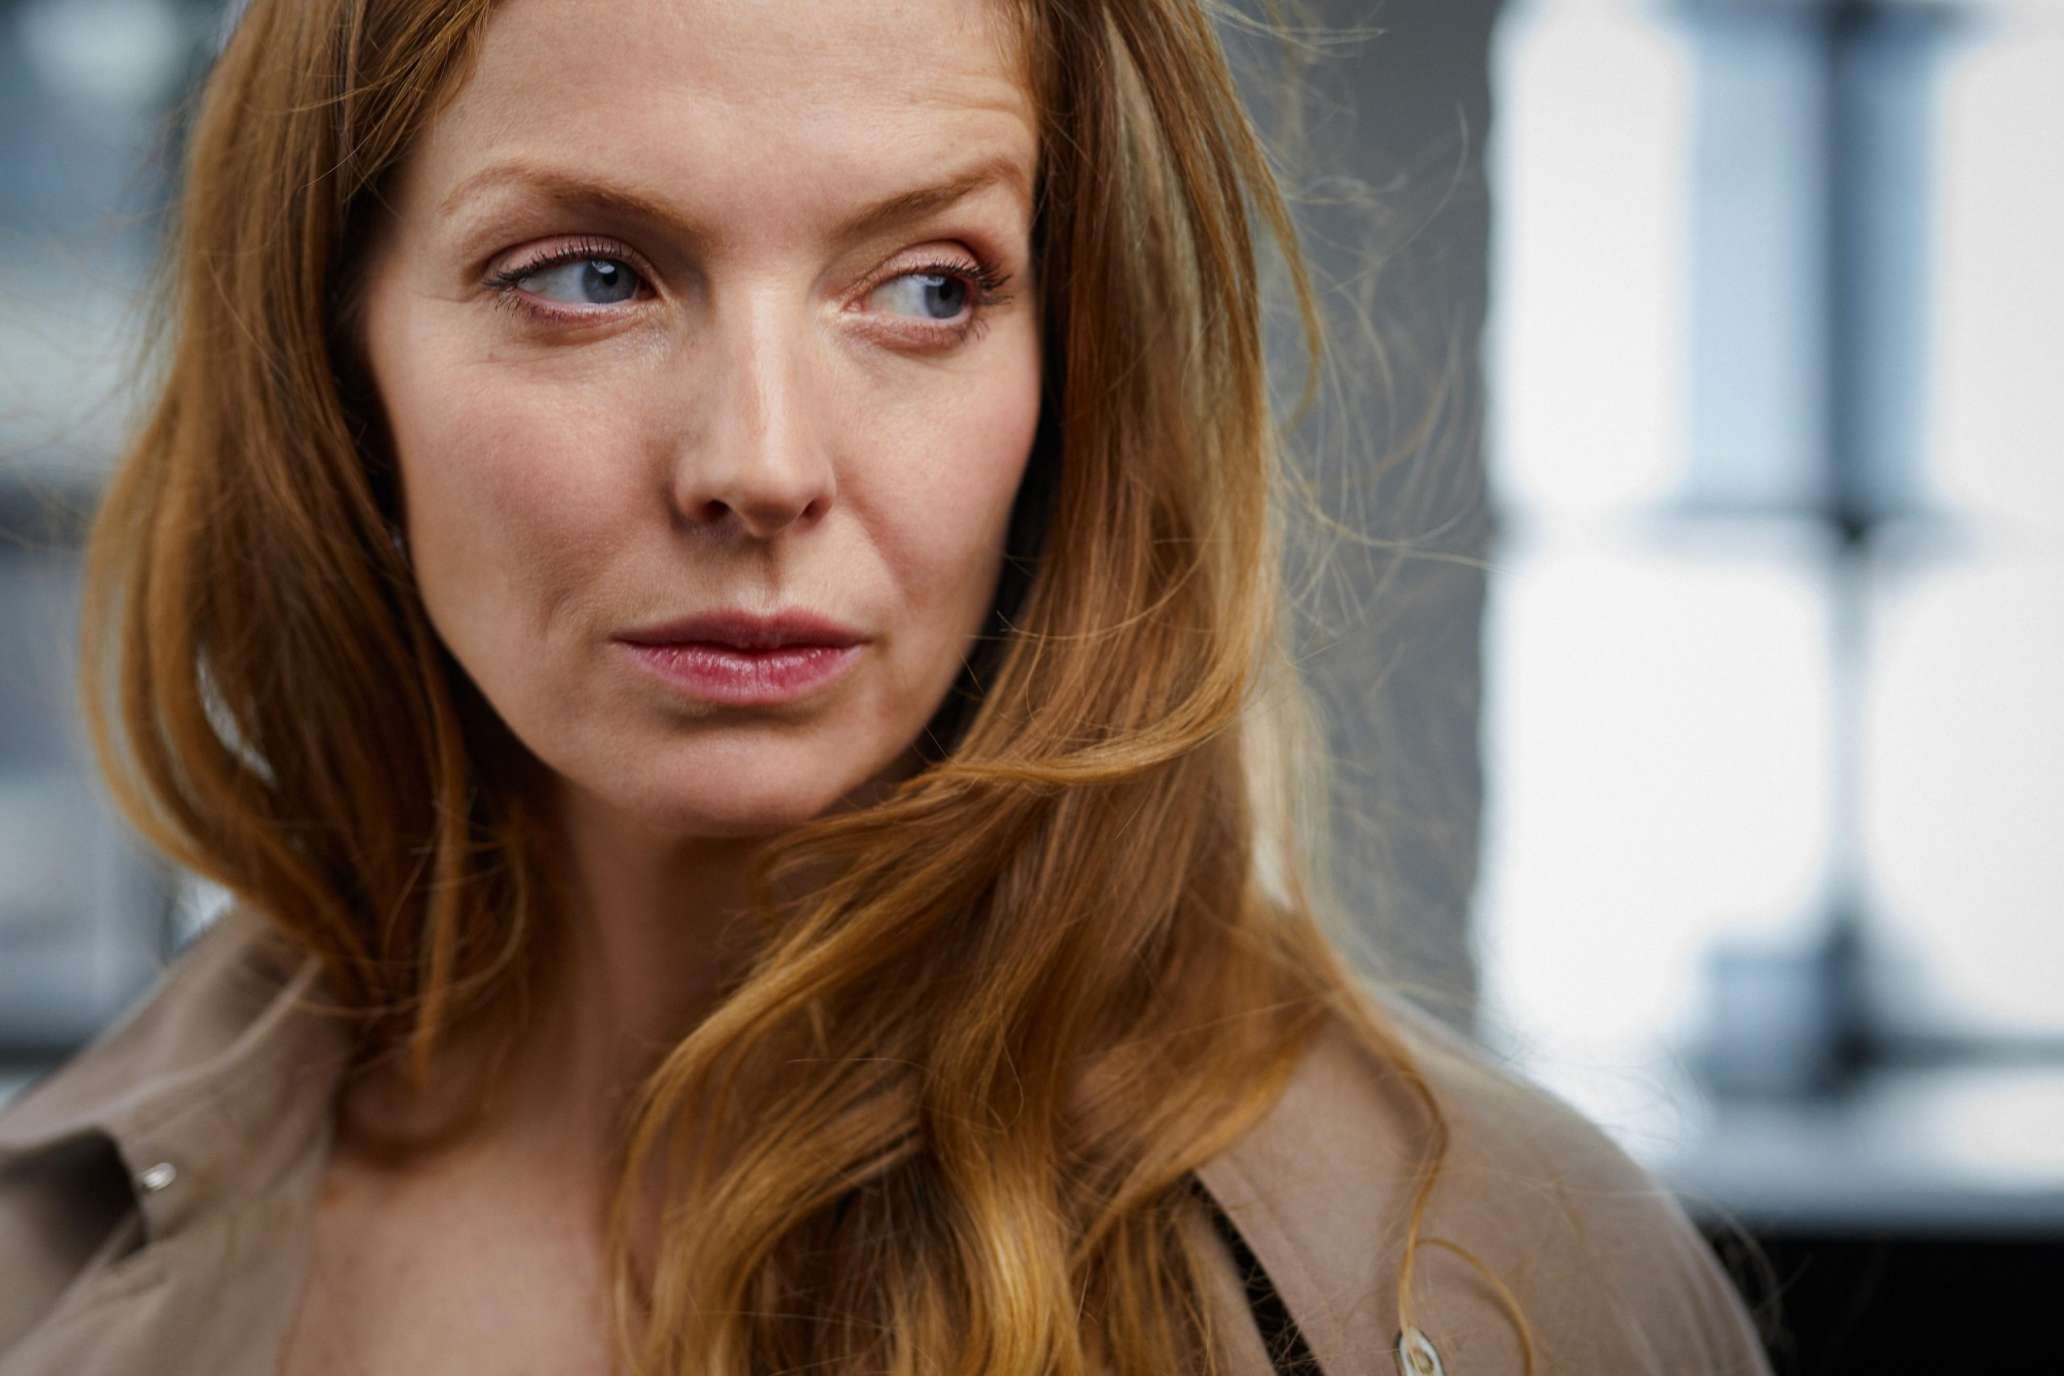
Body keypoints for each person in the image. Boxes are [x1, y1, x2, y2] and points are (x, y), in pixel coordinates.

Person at [0, 0, 1774, 1372]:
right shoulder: (42, 1275)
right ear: (337, 355)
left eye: (927, 289)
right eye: (592, 278)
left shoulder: (1497, 1279)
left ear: (1075, 370)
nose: (762, 465)